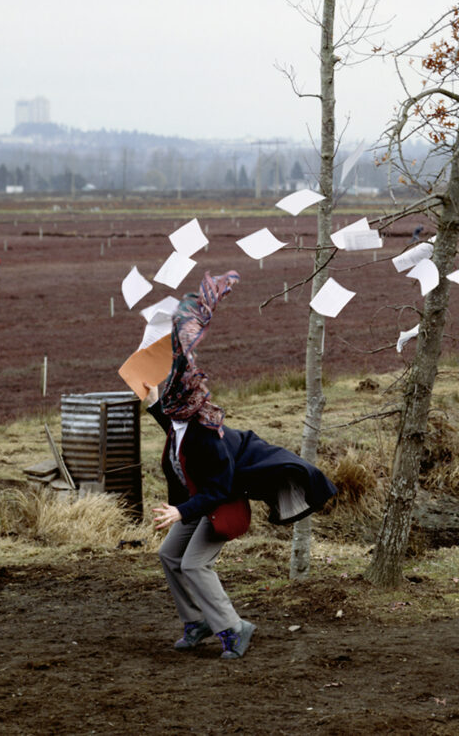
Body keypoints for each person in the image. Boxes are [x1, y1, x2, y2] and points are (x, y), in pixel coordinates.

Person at [146, 271, 338, 660]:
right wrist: (152, 402)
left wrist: (179, 511)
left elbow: (219, 488)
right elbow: (173, 429)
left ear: (186, 403)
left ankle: (234, 629)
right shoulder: (182, 420)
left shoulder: (205, 436)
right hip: (200, 503)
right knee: (169, 556)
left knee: (195, 565)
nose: (167, 398)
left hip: (223, 504)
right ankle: (197, 622)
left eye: (168, 396)